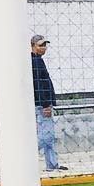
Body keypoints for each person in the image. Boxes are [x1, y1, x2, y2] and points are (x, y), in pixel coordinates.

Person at [30, 34, 67, 173]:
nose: (44, 48)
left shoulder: (38, 60)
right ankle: (27, 156)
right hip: (41, 104)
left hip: (43, 103)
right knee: (47, 135)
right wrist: (46, 104)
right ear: (33, 46)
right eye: (41, 45)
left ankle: (52, 164)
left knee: (49, 136)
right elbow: (39, 84)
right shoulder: (35, 62)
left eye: (45, 44)